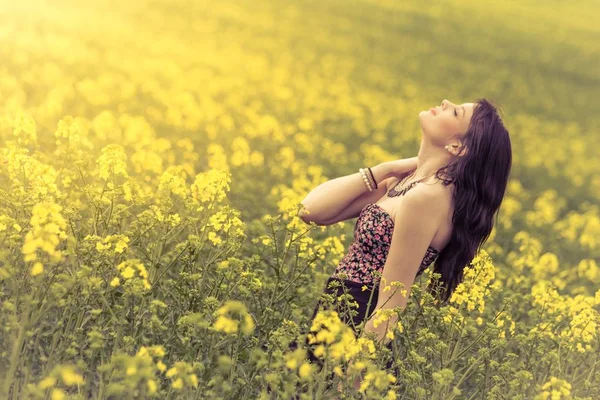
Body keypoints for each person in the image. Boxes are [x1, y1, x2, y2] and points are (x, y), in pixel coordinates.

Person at [292, 98, 513, 394]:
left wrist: (352, 380)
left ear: (458, 147)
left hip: (358, 322)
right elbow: (310, 211)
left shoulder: (427, 197)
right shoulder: (407, 183)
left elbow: (391, 300)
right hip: (334, 312)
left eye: (456, 112)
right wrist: (385, 169)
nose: (445, 102)